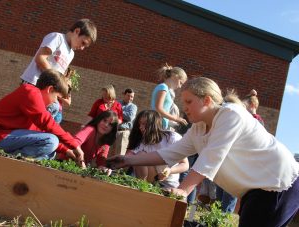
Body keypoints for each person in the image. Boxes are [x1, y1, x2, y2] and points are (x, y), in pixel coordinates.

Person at [107, 77, 299, 227]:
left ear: (207, 100)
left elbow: (211, 158)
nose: (185, 108)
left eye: (189, 101)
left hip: (279, 183)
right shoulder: (198, 129)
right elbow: (168, 154)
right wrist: (127, 160)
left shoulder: (230, 115)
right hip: (256, 189)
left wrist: (183, 190)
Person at [0, 69, 82, 161]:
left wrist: (66, 150)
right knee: (51, 141)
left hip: (3, 137)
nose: (56, 103)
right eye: (57, 98)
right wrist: (74, 145)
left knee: (50, 152)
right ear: (50, 89)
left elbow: (41, 132)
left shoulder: (37, 107)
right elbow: (47, 122)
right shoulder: (30, 92)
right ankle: (9, 162)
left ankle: (12, 161)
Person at [20, 19, 97, 122]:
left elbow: (59, 73)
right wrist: (57, 80)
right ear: (77, 31)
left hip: (47, 91)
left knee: (53, 116)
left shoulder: (71, 54)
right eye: (83, 43)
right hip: (33, 83)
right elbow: (40, 58)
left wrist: (64, 83)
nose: (82, 48)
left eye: (85, 46)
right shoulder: (57, 38)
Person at [126, 110, 188, 189]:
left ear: (153, 124)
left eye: (144, 124)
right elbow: (128, 158)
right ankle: (142, 186)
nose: (140, 127)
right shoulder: (143, 143)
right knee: (139, 155)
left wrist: (169, 170)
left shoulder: (171, 138)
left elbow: (185, 165)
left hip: (168, 183)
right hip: (150, 181)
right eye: (140, 124)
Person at [151, 64, 188, 129]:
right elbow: (158, 108)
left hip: (160, 125)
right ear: (175, 76)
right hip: (157, 125)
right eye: (180, 83)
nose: (180, 86)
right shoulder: (163, 87)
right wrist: (175, 118)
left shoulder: (166, 89)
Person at [111, 88, 137, 156]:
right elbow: (111, 114)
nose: (130, 98)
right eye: (128, 96)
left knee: (119, 154)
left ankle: (117, 167)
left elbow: (130, 117)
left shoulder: (133, 107)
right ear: (124, 95)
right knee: (108, 152)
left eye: (132, 97)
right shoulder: (117, 103)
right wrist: (120, 113)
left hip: (123, 132)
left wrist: (118, 111)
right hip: (112, 130)